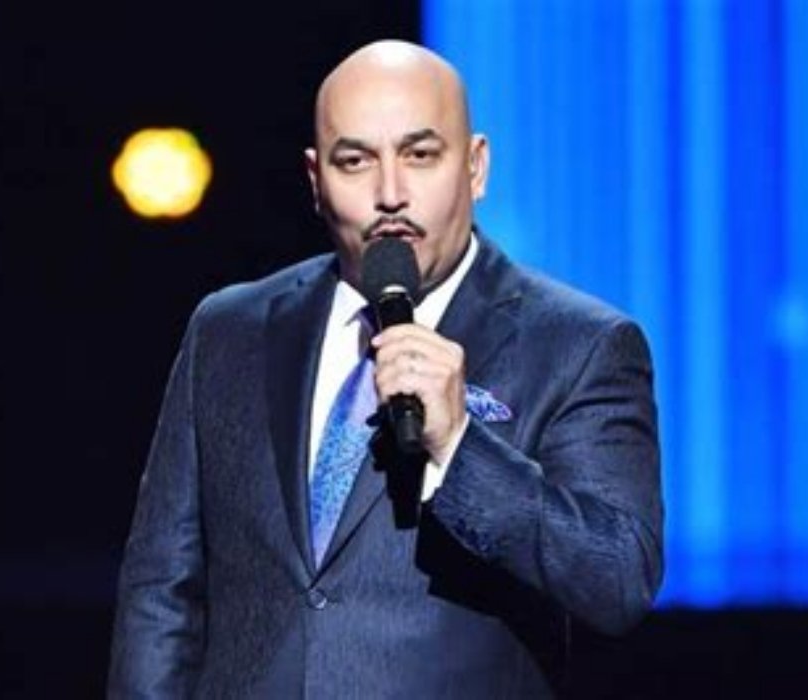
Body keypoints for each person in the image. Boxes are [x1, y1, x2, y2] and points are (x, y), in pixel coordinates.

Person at [108, 39, 663, 698]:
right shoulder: (230, 330)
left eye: (420, 155)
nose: (390, 194)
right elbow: (162, 593)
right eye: (355, 161)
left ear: (475, 167)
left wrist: (459, 447)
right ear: (315, 180)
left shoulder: (579, 345)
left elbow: (617, 580)